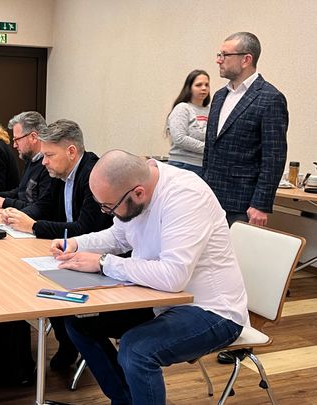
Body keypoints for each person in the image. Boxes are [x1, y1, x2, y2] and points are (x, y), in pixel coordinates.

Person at [50, 150, 249, 405]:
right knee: (79, 321)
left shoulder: (186, 196)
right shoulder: (135, 188)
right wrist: (76, 244)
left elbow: (173, 276)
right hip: (158, 298)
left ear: (138, 193)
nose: (107, 212)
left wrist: (102, 262)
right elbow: (118, 236)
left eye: (109, 206)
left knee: (136, 350)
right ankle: (125, 400)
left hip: (212, 310)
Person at [2, 119, 112, 370]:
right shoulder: (61, 173)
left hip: (96, 256)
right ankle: (67, 342)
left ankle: (71, 343)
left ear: (71, 151)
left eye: (49, 155)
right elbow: (45, 206)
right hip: (70, 250)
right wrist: (20, 217)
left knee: (46, 283)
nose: (44, 162)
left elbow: (85, 229)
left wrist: (33, 226)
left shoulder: (92, 176)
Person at [203, 32, 288, 227]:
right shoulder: (219, 96)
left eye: (225, 55)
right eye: (219, 54)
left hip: (243, 203)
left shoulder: (270, 98)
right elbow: (210, 149)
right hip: (210, 199)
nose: (218, 60)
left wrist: (261, 204)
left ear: (246, 59)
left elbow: (274, 158)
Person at [0, 111, 51, 219]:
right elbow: (20, 192)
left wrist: (4, 202)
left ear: (33, 137)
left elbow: (39, 209)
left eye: (17, 139)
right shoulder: (31, 159)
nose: (14, 145)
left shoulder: (48, 165)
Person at [166, 69, 210, 176]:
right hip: (182, 165)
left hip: (203, 166)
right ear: (189, 88)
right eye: (198, 85)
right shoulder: (182, 108)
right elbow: (179, 138)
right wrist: (208, 149)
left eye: (207, 85)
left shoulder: (211, 111)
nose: (204, 88)